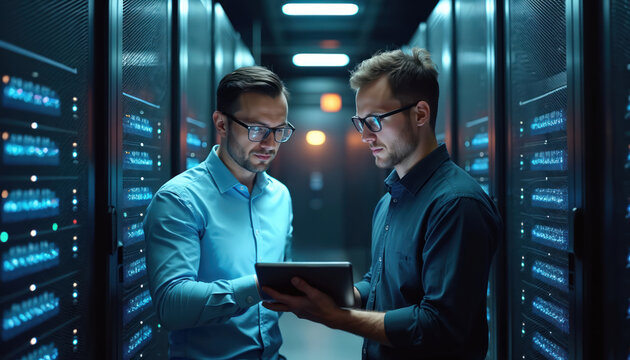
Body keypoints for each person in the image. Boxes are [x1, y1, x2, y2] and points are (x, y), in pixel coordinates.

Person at [263, 48, 502, 359]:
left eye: (374, 121)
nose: (365, 135)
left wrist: (336, 317)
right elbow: (379, 287)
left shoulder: (456, 205)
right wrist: (329, 293)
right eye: (359, 122)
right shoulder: (389, 200)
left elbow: (439, 326)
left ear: (420, 114)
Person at [144, 66, 295, 360]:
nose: (270, 143)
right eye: (257, 129)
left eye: (279, 131)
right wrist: (260, 286)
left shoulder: (281, 196)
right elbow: (171, 306)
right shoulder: (180, 200)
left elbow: (282, 282)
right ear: (222, 123)